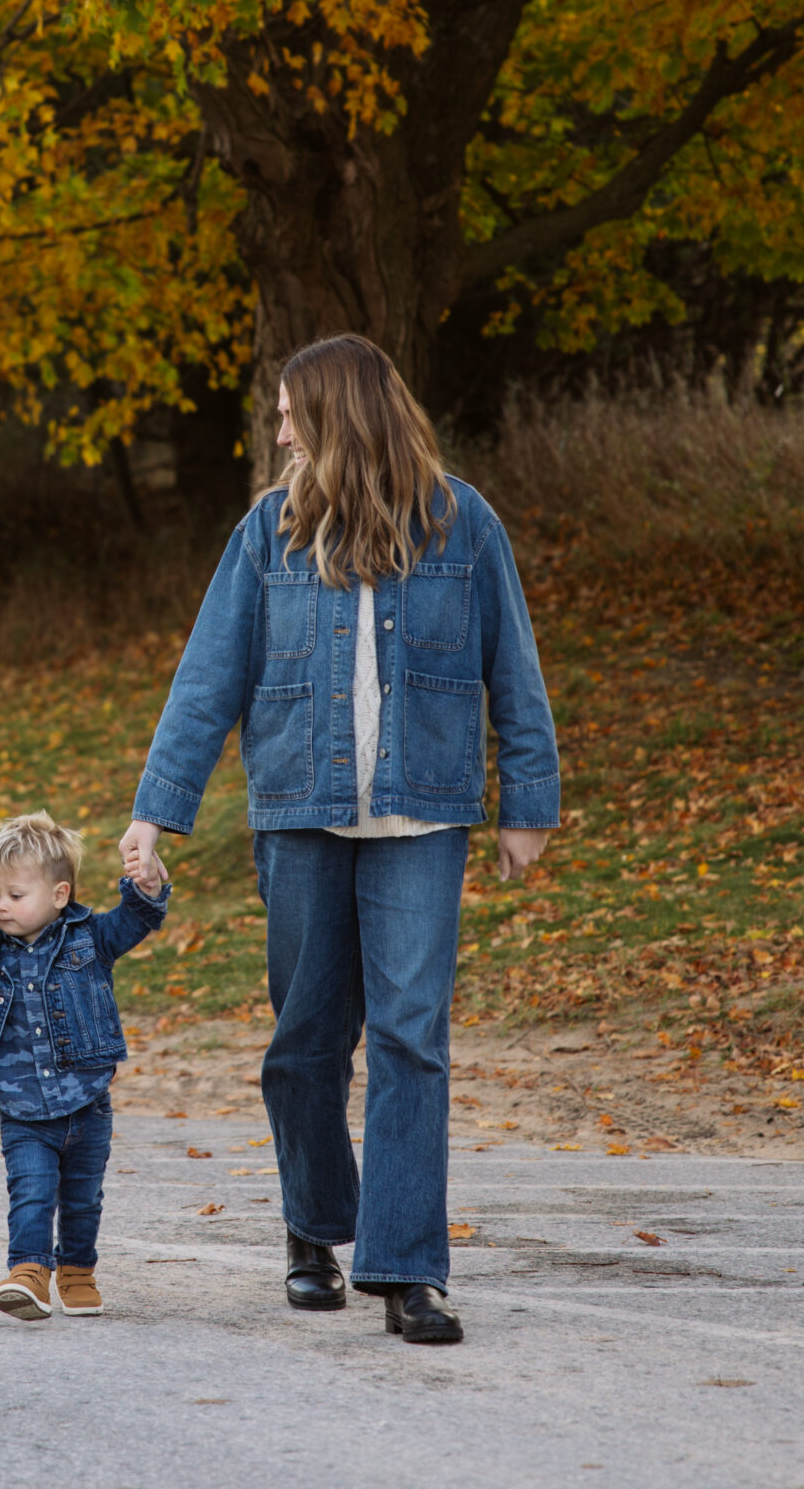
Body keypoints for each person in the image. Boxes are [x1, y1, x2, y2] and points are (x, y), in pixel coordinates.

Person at [119, 334, 559, 1345]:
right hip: (299, 815)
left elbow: (514, 666)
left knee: (413, 1037)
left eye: (290, 412)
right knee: (305, 1040)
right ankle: (315, 1229)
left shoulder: (461, 523)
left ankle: (407, 1268)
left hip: (424, 815)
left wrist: (526, 800)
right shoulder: (267, 532)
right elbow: (207, 677)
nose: (278, 430)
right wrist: (158, 809)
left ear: (340, 416)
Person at [0, 812, 167, 1321]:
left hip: (87, 1104)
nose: (0, 906)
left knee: (84, 1201)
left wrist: (145, 887)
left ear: (59, 895)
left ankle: (78, 1270)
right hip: (21, 1110)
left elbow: (138, 920)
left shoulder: (91, 941)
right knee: (32, 1193)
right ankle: (27, 1273)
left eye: (15, 895)